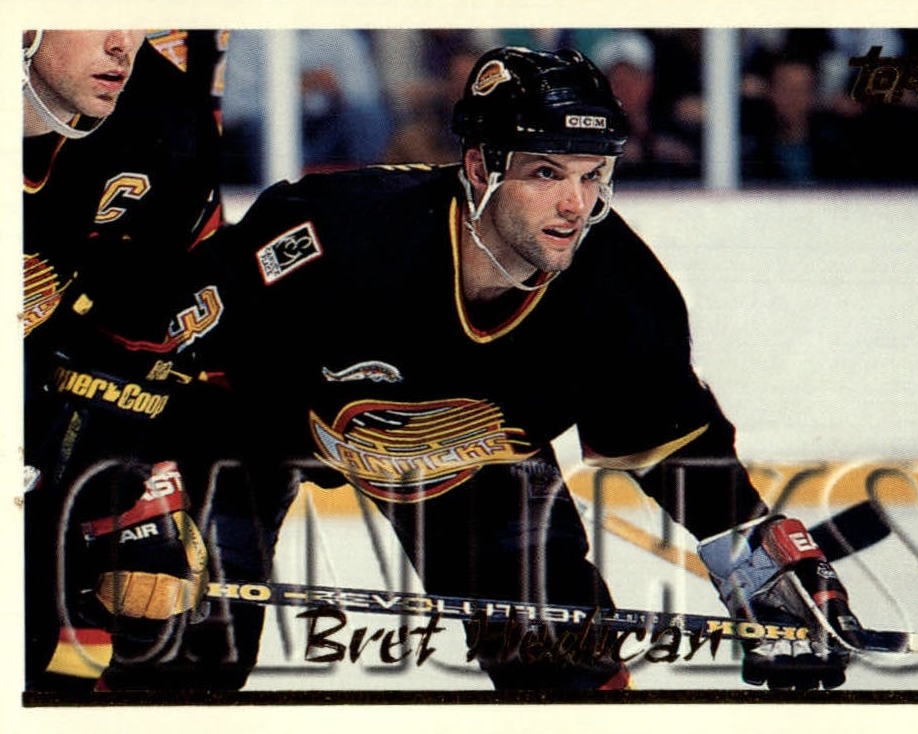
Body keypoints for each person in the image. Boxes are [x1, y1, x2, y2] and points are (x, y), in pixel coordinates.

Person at [175, 46, 864, 691]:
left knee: (562, 665)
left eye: (593, 175)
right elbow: (163, 342)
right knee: (179, 644)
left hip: (466, 454)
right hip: (249, 426)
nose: (576, 205)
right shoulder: (338, 233)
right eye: (546, 173)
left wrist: (754, 556)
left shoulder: (618, 290)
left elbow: (674, 442)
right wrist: (137, 503)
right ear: (480, 169)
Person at [23, 29, 225, 693]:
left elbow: (146, 327)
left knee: (57, 650)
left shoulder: (167, 120)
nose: (123, 42)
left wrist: (128, 497)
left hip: (36, 387)